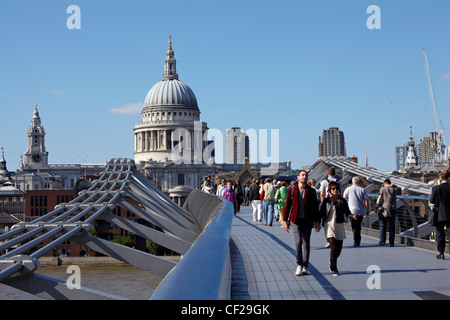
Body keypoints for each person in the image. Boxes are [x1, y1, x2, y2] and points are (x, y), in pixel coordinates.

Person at [283, 170, 321, 276]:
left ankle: (305, 266)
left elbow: (315, 207)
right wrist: (285, 220)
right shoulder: (291, 190)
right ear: (298, 177)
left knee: (306, 243)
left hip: (307, 220)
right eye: (302, 175)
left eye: (306, 175)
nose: (304, 177)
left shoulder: (311, 191)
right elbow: (287, 206)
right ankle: (299, 265)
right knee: (298, 242)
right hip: (295, 220)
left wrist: (317, 221)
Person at [320, 181, 351, 276]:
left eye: (337, 189)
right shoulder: (326, 201)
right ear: (330, 190)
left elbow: (347, 211)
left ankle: (332, 260)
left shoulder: (342, 201)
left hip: (339, 224)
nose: (335, 190)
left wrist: (352, 216)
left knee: (339, 248)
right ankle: (334, 268)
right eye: (333, 189)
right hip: (329, 224)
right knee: (333, 246)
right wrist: (317, 221)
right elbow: (321, 212)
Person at [343, 177, 370, 246]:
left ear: (352, 182)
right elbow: (366, 200)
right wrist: (367, 209)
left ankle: (356, 240)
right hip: (360, 211)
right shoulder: (362, 189)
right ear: (359, 182)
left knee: (354, 226)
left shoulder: (348, 189)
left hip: (351, 211)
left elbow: (344, 199)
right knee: (358, 225)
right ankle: (357, 240)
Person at [429, 170, 450, 260]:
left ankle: (441, 253)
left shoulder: (436, 188)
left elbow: (432, 201)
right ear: (449, 178)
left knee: (440, 234)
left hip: (439, 214)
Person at [374, 179, 398, 247]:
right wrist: (391, 185)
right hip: (393, 208)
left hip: (384, 208)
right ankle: (391, 242)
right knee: (392, 226)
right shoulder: (394, 189)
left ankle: (382, 241)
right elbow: (396, 186)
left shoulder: (383, 188)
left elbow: (379, 198)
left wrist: (376, 207)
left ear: (384, 183)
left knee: (382, 225)